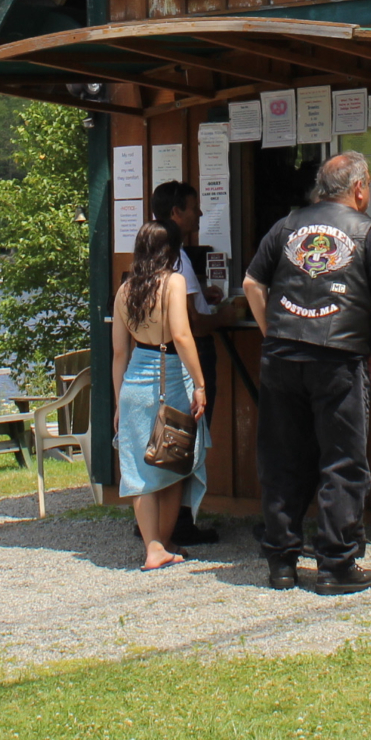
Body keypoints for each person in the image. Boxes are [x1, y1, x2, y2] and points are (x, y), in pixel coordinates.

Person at [243, 149, 371, 594]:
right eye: (368, 185)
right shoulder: (368, 232)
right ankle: (336, 564)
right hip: (337, 357)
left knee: (282, 460)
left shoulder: (287, 224)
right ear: (358, 188)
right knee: (342, 461)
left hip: (281, 356)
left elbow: (251, 283)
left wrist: (272, 331)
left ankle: (281, 562)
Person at [111, 216, 211, 570]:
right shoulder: (173, 283)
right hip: (170, 378)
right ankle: (161, 545)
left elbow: (119, 353)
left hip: (134, 381)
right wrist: (199, 384)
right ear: (172, 249)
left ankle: (156, 546)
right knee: (173, 462)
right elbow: (182, 337)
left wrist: (118, 401)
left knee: (140, 471)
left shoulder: (125, 289)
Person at [148, 180, 227, 549]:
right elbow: (193, 324)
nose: (199, 214)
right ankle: (178, 522)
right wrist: (224, 314)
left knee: (160, 439)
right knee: (184, 439)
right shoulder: (177, 257)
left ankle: (152, 523)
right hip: (187, 359)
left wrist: (204, 298)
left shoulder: (150, 253)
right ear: (177, 212)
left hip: (151, 360)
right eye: (194, 208)